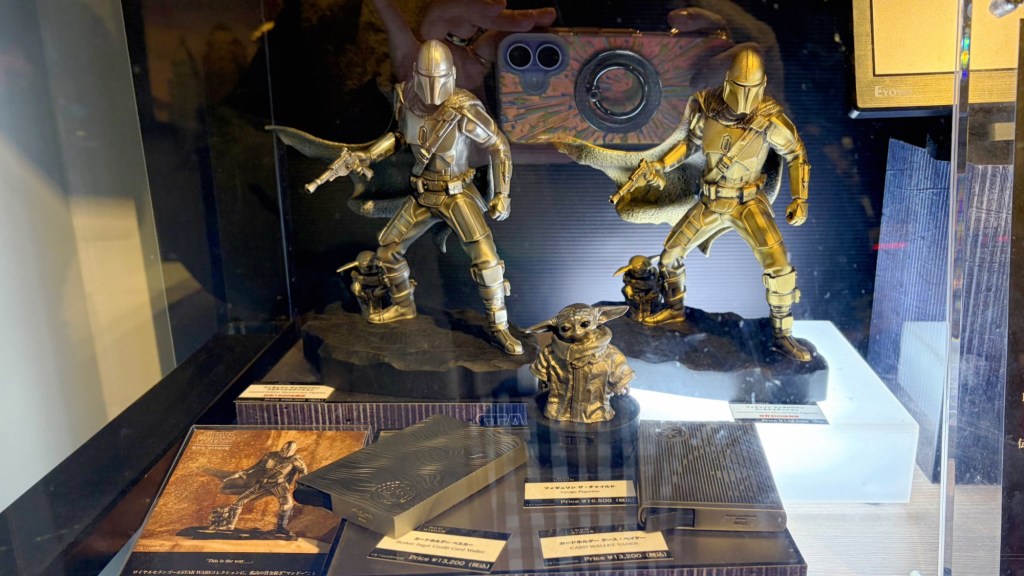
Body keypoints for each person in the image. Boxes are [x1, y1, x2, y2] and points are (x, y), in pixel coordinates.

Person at [621, 48, 811, 361]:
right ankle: (674, 311)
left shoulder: (769, 119)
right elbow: (688, 146)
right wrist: (660, 166)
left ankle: (783, 335)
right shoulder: (708, 109)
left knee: (779, 268)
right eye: (740, 87)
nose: (745, 97)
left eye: (752, 89)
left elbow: (796, 154)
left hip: (748, 203)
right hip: (710, 201)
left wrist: (799, 198)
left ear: (762, 86)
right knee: (670, 256)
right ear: (727, 83)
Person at [212, 440, 308, 537]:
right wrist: (245, 472)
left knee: (287, 504)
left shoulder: (296, 460)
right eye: (284, 448)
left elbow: (303, 472)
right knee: (239, 501)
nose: (285, 451)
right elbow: (257, 467)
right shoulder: (270, 455)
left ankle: (281, 528)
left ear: (294, 450)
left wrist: (300, 486)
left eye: (288, 450)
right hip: (264, 483)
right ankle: (229, 525)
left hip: (279, 484)